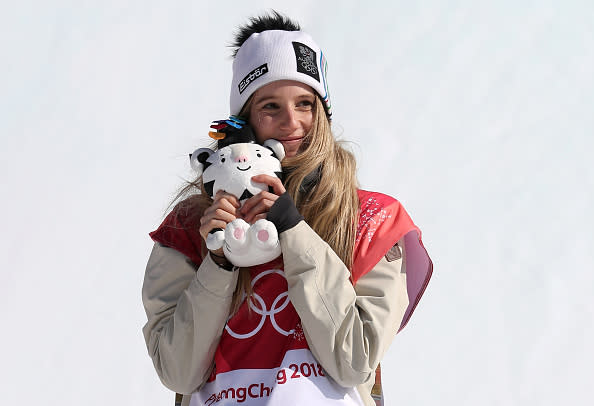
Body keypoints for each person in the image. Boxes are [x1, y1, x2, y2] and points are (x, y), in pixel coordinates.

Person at [142, 11, 433, 406]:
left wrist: (294, 232)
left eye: (304, 103)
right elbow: (178, 371)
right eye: (270, 107)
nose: (292, 122)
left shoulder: (371, 221)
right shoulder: (191, 226)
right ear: (243, 120)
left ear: (323, 113)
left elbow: (353, 362)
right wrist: (220, 262)